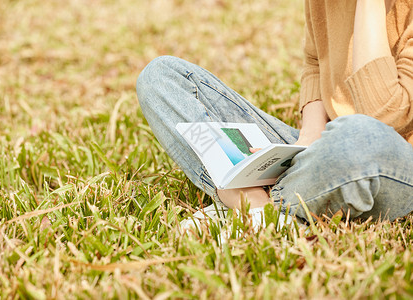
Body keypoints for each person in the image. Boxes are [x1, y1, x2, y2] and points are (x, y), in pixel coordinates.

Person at [136, 0, 413, 227]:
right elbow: (316, 61)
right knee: (161, 77)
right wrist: (307, 141)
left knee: (360, 138)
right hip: (327, 152)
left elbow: (385, 117)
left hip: (388, 158)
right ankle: (263, 207)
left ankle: (254, 208)